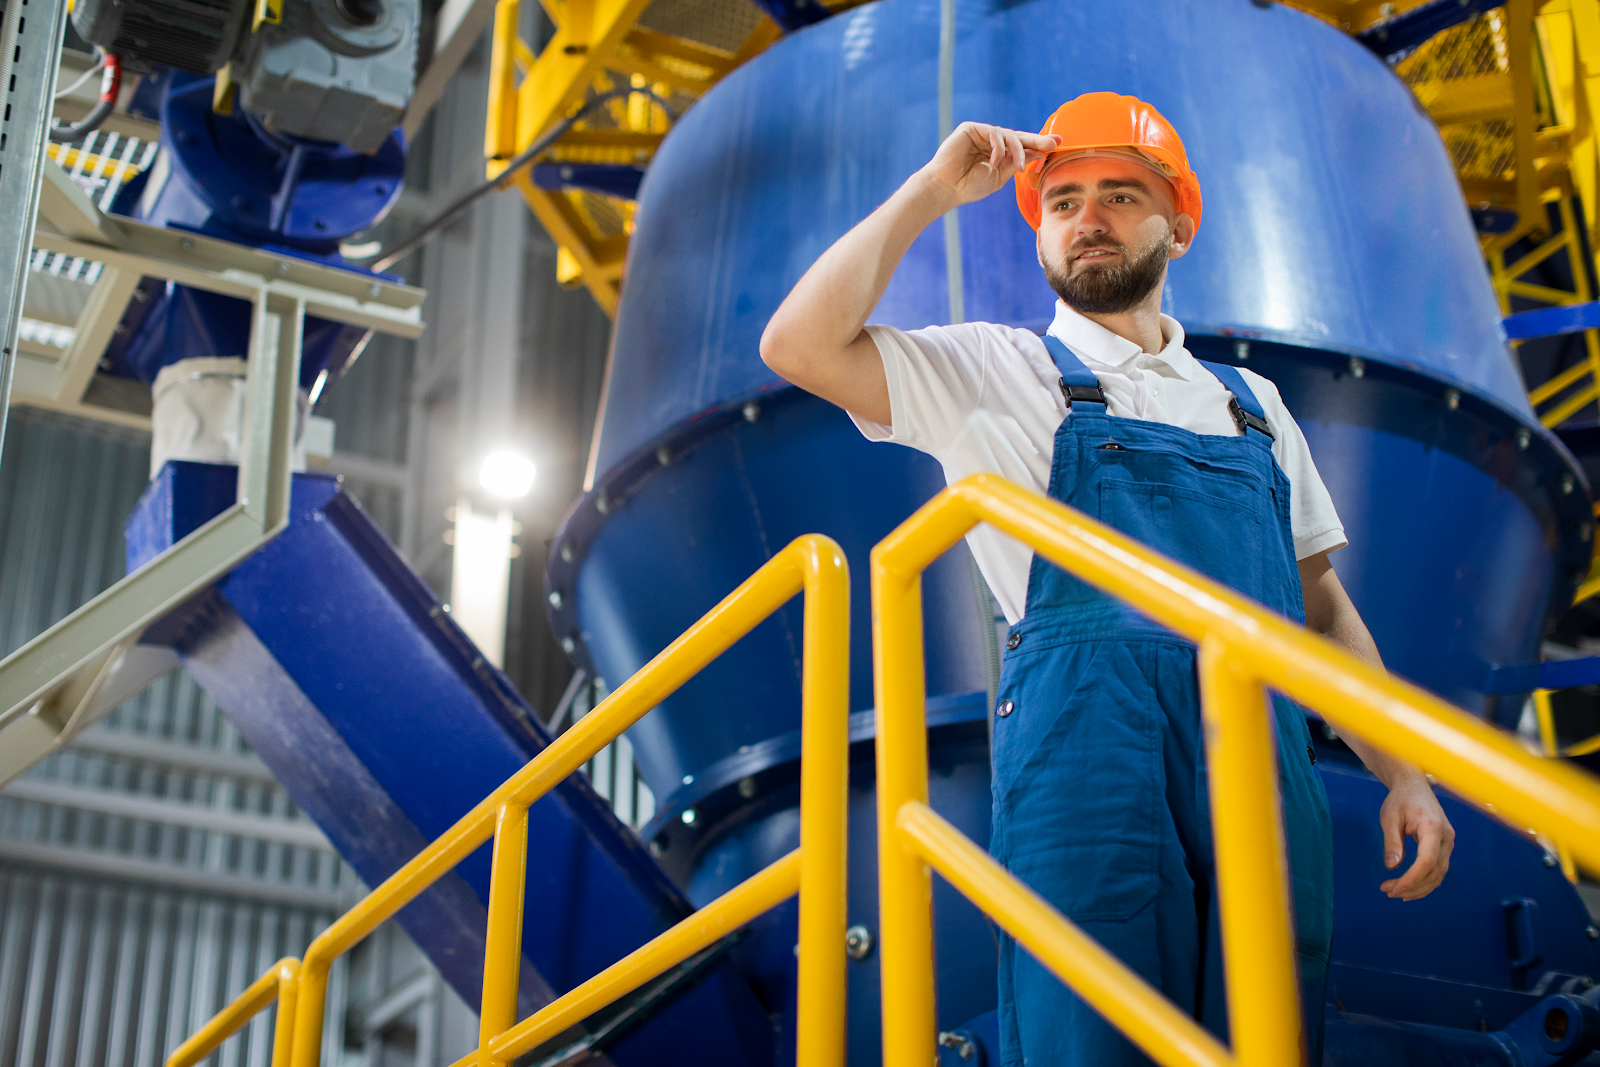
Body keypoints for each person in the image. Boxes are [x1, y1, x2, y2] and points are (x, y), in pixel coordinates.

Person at [758, 92, 1456, 1066]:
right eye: (1063, 201)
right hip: (1089, 757)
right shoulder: (994, 371)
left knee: (1267, 1032)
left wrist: (1403, 771)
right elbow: (796, 345)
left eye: (1121, 195)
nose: (1087, 218)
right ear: (1041, 232)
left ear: (1179, 225)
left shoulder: (1252, 406)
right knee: (1090, 1030)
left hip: (1260, 759)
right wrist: (931, 190)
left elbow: (1323, 609)